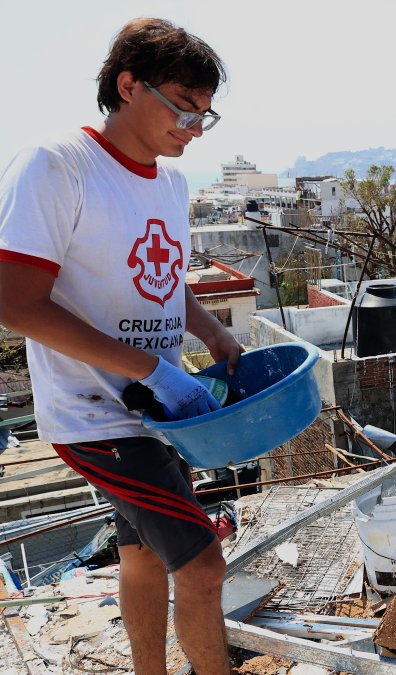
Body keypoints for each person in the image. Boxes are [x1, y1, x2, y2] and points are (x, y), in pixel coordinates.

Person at [0, 18, 239, 675]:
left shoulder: (170, 184)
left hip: (158, 413)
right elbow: (15, 302)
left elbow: (164, 281)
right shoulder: (56, 165)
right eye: (182, 108)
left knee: (141, 555)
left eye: (204, 115)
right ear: (128, 86)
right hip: (94, 413)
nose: (192, 127)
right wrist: (151, 369)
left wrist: (208, 329)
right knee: (204, 563)